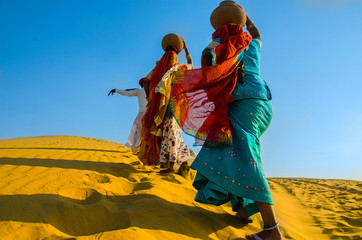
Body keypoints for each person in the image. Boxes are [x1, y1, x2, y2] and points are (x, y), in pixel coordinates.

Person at [169, 3, 282, 240]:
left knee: (245, 156)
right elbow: (258, 33)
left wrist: (212, 78)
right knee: (235, 151)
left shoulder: (222, 39)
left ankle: (273, 230)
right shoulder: (252, 41)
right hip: (261, 104)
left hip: (241, 103)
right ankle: (243, 210)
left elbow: (206, 55)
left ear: (219, 25)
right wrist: (242, 17)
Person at [138, 35, 193, 166]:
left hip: (160, 107)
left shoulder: (157, 69)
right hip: (174, 105)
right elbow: (191, 64)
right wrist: (186, 50)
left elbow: (145, 82)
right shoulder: (178, 67)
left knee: (167, 132)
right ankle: (177, 163)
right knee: (171, 132)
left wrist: (150, 99)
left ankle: (175, 163)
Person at [108, 80, 147, 153]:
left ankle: (136, 149)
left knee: (138, 132)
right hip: (148, 113)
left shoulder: (138, 90)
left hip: (142, 114)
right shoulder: (150, 90)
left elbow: (126, 93)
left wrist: (116, 90)